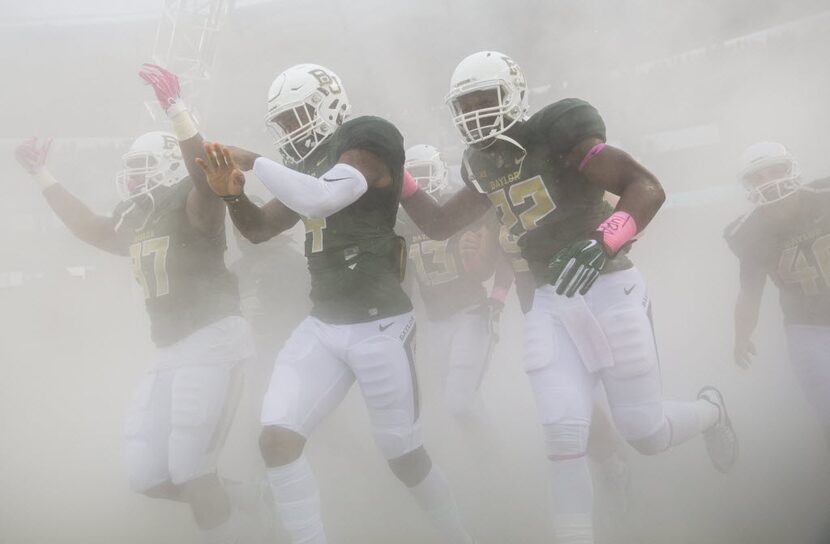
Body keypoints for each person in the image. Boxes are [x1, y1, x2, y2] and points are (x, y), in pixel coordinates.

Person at [400, 50, 738, 542]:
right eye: (464, 104)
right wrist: (397, 173)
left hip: (610, 288)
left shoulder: (556, 132)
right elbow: (438, 223)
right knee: (562, 434)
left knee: (645, 432)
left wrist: (603, 241)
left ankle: (711, 410)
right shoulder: (479, 162)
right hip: (547, 302)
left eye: (484, 99)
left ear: (513, 94)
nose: (475, 112)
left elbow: (644, 186)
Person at [139, 63, 475, 544]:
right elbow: (257, 231)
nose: (294, 130)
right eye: (286, 122)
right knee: (276, 441)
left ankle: (460, 535)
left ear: (330, 106)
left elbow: (320, 200)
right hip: (324, 323)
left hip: (380, 324)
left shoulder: (367, 141)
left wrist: (253, 161)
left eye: (300, 116)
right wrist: (234, 197)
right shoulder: (305, 170)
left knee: (403, 456)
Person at [15, 131, 254, 544]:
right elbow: (87, 226)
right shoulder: (139, 218)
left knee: (192, 469)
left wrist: (179, 114)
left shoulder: (195, 198)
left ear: (169, 167)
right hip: (170, 345)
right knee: (144, 473)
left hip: (214, 336)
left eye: (143, 169)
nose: (133, 179)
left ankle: (250, 531)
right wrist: (42, 175)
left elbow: (202, 179)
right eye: (131, 171)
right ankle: (253, 499)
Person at [726, 141, 830, 446]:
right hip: (807, 328)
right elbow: (750, 292)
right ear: (747, 185)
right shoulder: (750, 232)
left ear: (792, 169)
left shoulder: (825, 196)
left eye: (775, 171)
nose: (768, 181)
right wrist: (741, 335)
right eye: (758, 176)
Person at [398, 144, 501, 426]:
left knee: (459, 401)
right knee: (452, 404)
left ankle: (497, 462)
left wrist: (477, 259)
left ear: (440, 172)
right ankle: (491, 463)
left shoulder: (461, 208)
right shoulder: (402, 221)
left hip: (470, 312)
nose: (420, 183)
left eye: (424, 174)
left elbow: (487, 268)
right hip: (433, 321)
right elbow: (403, 278)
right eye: (413, 176)